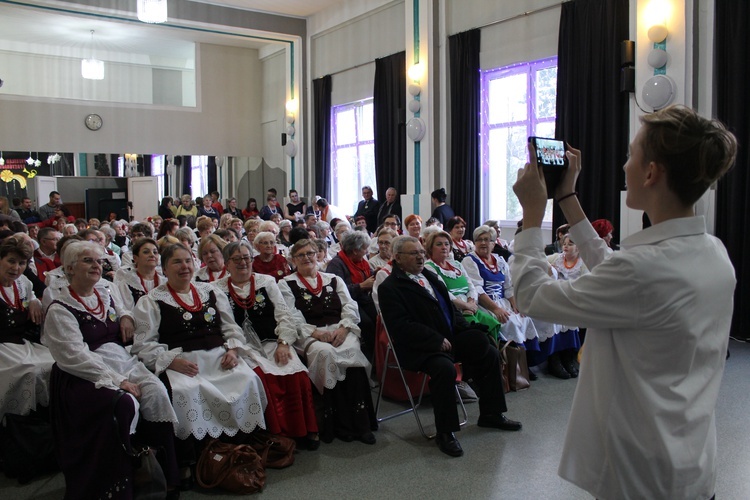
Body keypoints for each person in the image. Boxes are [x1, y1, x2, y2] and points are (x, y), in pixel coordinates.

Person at [510, 105, 737, 499]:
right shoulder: (712, 252)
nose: (625, 164)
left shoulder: (643, 270)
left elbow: (532, 295)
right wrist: (567, 197)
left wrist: (532, 216)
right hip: (690, 458)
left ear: (651, 172)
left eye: (631, 154)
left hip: (640, 473)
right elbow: (616, 272)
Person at [44, 241, 180, 498]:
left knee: (157, 391)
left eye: (99, 261)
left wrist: (126, 318)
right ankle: (120, 482)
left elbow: (124, 311)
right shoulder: (60, 308)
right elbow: (74, 356)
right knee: (125, 403)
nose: (97, 266)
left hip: (120, 359)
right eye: (88, 261)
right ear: (70, 268)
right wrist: (118, 381)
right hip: (82, 375)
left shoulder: (105, 291)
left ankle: (164, 474)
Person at [379, 236, 522, 457]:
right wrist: (434, 339)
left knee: (488, 350)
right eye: (413, 253)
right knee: (444, 369)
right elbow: (400, 327)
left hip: (448, 337)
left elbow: (449, 308)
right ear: (398, 258)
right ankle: (445, 433)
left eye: (421, 252)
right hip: (419, 347)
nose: (420, 257)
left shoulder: (429, 276)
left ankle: (491, 414)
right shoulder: (390, 287)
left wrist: (464, 329)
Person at [131, 244, 267, 464]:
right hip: (185, 363)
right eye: (177, 262)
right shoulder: (151, 301)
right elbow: (143, 344)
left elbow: (231, 328)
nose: (184, 266)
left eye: (188, 260)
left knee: (248, 379)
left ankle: (241, 447)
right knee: (186, 391)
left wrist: (233, 350)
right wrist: (172, 362)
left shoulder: (210, 292)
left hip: (219, 358)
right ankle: (197, 457)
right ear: (164, 268)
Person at [213, 241, 318, 448]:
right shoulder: (216, 290)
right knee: (260, 377)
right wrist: (234, 348)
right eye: (237, 259)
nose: (243, 262)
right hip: (243, 349)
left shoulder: (267, 282)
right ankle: (276, 435)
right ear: (226, 264)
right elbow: (222, 325)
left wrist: (284, 343)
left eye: (247, 258)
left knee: (296, 373)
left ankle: (302, 431)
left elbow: (284, 315)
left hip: (274, 342)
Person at [278, 239, 377, 445]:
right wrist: (315, 334)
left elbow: (350, 306)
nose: (307, 258)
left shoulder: (333, 279)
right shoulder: (286, 284)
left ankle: (361, 423)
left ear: (319, 255)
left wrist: (344, 328)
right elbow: (291, 315)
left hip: (340, 328)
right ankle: (340, 424)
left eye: (311, 253)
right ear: (293, 259)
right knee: (326, 354)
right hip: (310, 334)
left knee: (352, 354)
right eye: (301, 255)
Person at [0, 238, 52, 423]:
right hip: (3, 347)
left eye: (22, 263)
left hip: (22, 343)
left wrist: (35, 301)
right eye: (11, 261)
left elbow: (34, 293)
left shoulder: (23, 282)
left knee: (54, 363)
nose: (16, 267)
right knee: (28, 371)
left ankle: (43, 420)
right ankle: (15, 422)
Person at [462, 225, 538, 346]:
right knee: (509, 322)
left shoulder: (500, 261)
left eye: (487, 239)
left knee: (525, 318)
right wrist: (496, 309)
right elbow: (477, 289)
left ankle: (526, 360)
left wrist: (516, 305)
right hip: (485, 305)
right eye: (479, 240)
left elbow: (508, 287)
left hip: (503, 302)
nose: (483, 243)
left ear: (493, 243)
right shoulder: (470, 260)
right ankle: (509, 358)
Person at [424, 231, 502, 343]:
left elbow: (471, 286)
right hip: (454, 311)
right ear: (431, 248)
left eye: (446, 244)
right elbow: (443, 293)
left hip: (469, 307)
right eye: (439, 244)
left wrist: (471, 303)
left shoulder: (456, 264)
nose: (444, 247)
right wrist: (466, 306)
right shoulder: (429, 267)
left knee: (492, 323)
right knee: (479, 335)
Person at [325, 231, 377, 362]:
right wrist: (361, 286)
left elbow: (368, 275)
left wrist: (375, 273)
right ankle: (371, 359)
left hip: (363, 299)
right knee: (367, 324)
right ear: (355, 250)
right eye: (364, 249)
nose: (366, 252)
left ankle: (380, 356)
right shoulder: (336, 264)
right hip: (346, 304)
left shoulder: (361, 262)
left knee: (380, 318)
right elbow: (335, 290)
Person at [114, 238, 164, 311]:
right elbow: (127, 311)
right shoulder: (128, 283)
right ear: (135, 258)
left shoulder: (165, 281)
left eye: (155, 252)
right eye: (146, 252)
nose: (152, 255)